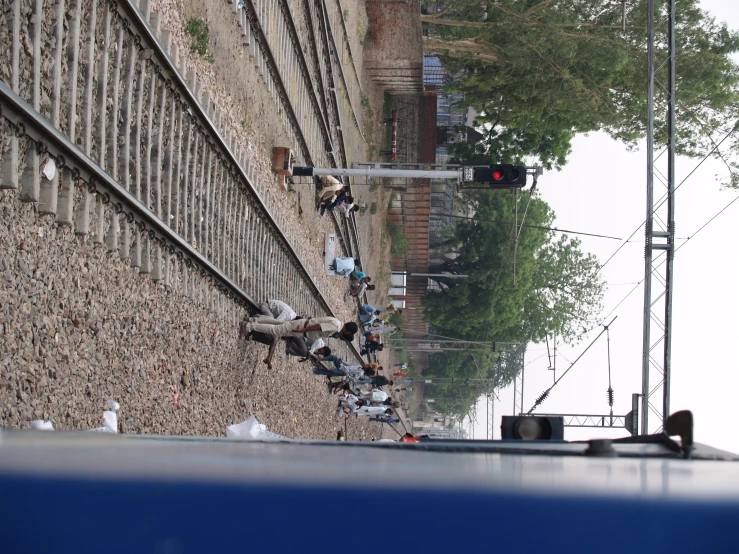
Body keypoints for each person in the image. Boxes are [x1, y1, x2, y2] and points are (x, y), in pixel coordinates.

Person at [240, 318, 357, 368]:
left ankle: (254, 320)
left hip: (303, 327)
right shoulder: (336, 327)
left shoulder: (337, 322)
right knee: (276, 330)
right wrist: (303, 330)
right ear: (348, 331)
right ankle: (249, 326)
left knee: (277, 324)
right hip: (302, 329)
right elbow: (318, 326)